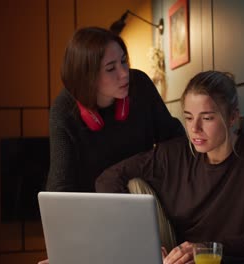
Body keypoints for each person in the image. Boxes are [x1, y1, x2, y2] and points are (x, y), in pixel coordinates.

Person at [96, 71, 244, 264]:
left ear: (232, 117)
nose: (195, 128)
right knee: (134, 183)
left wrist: (205, 250)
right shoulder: (174, 153)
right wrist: (141, 240)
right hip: (175, 259)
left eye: (207, 118)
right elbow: (108, 178)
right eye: (188, 117)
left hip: (224, 259)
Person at [45, 27, 184, 192]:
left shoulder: (139, 84)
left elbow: (176, 140)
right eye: (111, 68)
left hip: (142, 195)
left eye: (124, 61)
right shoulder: (64, 110)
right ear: (86, 76)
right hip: (94, 206)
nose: (124, 73)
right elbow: (60, 186)